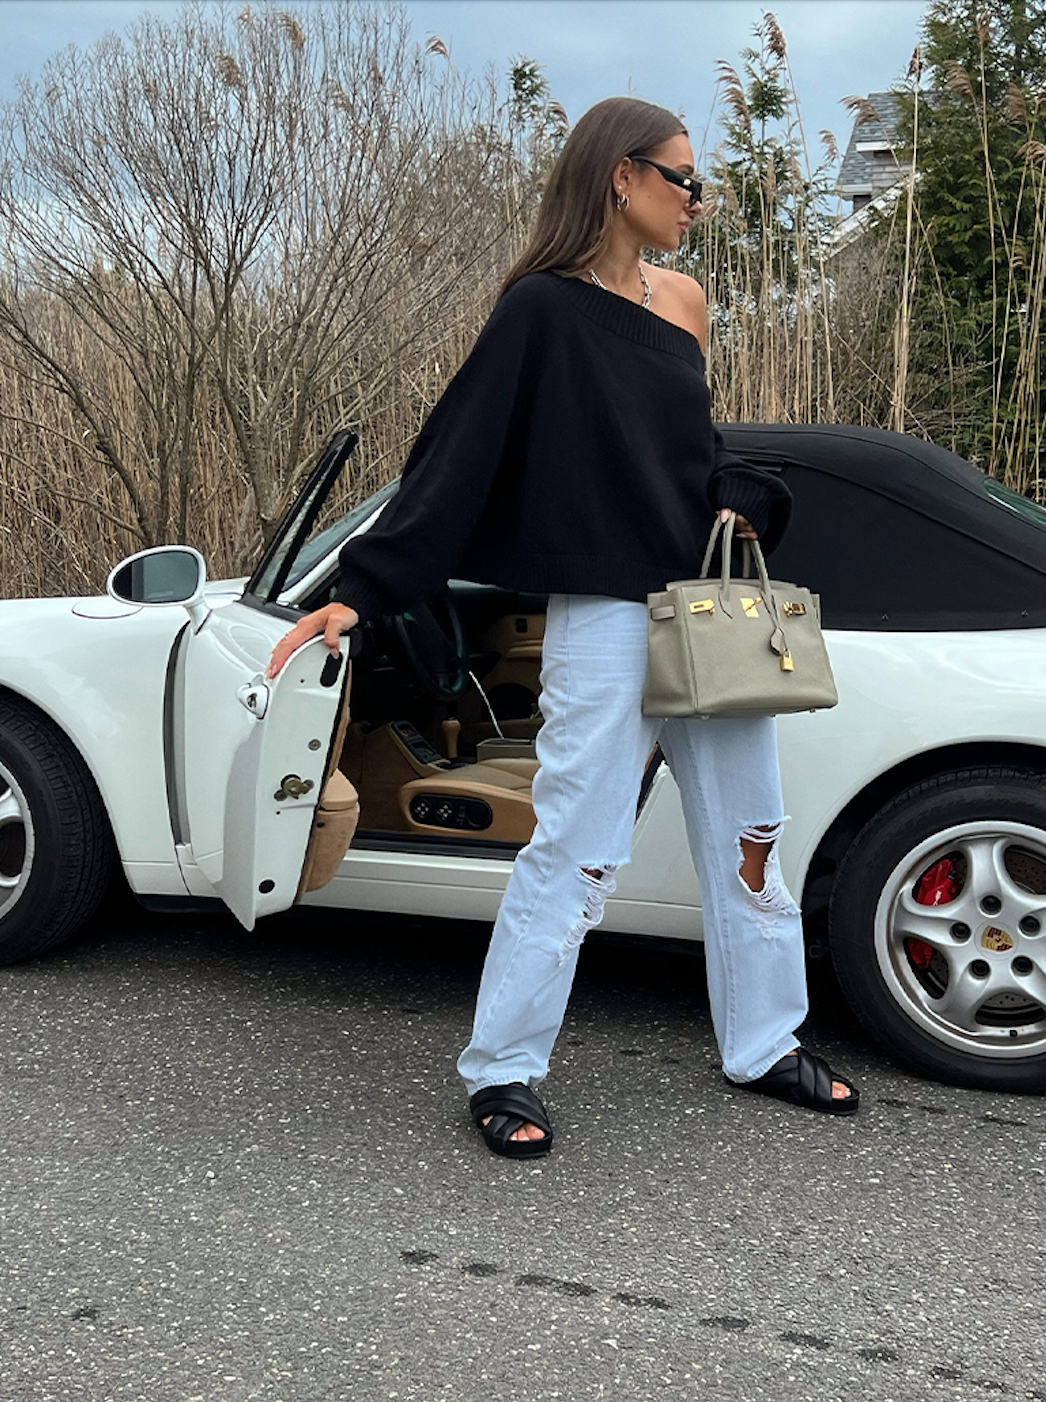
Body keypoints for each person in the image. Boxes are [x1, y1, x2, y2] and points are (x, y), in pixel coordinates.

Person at [268, 96, 859, 1157]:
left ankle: (764, 1041)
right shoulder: (539, 310)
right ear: (620, 176)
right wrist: (365, 584)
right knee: (575, 851)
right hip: (603, 618)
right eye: (681, 178)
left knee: (750, 840)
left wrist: (736, 490)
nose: (696, 199)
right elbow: (456, 454)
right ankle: (502, 1068)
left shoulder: (683, 302)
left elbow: (688, 447)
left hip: (705, 614)